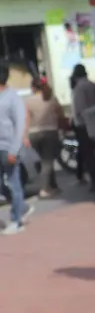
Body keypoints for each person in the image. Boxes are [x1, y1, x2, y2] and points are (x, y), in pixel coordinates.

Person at [0, 67, 29, 235]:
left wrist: (14, 149)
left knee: (14, 183)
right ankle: (21, 207)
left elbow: (20, 124)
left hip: (9, 148)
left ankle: (16, 220)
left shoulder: (13, 98)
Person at [25, 77, 64, 197]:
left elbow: (26, 119)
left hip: (33, 133)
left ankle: (53, 185)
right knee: (48, 161)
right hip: (50, 132)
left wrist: (25, 135)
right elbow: (60, 115)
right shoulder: (51, 98)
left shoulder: (28, 101)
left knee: (43, 160)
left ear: (33, 88)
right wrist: (62, 129)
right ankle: (44, 189)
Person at [69, 63, 95, 191]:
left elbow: (78, 109)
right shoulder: (94, 86)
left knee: (89, 155)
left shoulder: (78, 89)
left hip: (83, 125)